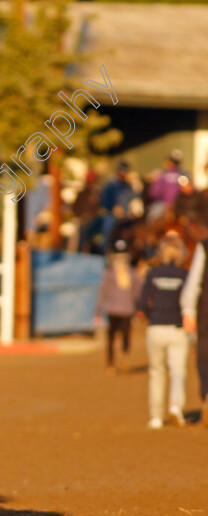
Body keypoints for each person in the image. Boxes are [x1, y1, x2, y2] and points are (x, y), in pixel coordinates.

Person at [138, 233, 189, 429]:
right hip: (177, 328)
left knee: (157, 372)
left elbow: (143, 302)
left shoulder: (153, 274)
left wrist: (153, 315)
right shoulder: (184, 275)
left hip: (156, 327)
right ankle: (176, 406)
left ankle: (156, 417)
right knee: (178, 372)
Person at [95, 239, 142, 373]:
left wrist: (98, 312)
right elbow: (103, 293)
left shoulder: (127, 273)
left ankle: (117, 361)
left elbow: (137, 293)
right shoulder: (120, 273)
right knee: (118, 336)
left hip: (120, 310)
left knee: (117, 337)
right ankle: (117, 360)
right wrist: (98, 312)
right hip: (120, 310)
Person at [181, 231, 208, 425]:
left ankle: (207, 397)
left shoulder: (204, 246)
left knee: (204, 357)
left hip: (206, 312)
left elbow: (194, 281)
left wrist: (188, 309)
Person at [99, 161, 139, 249]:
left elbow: (135, 198)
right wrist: (113, 208)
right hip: (112, 213)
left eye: (125, 171)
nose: (123, 173)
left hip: (126, 215)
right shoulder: (111, 184)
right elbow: (104, 199)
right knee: (108, 226)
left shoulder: (128, 185)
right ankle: (105, 247)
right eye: (122, 171)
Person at [147, 149, 185, 224]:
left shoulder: (162, 175)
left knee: (151, 219)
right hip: (180, 205)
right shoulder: (183, 174)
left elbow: (154, 193)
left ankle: (150, 235)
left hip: (164, 204)